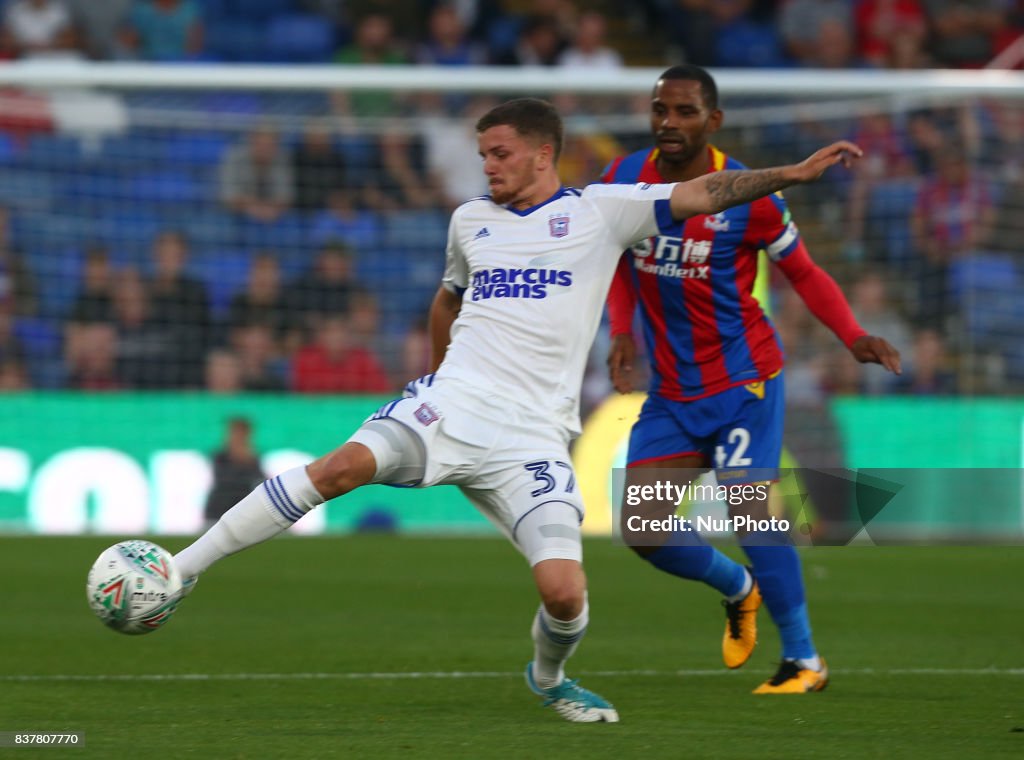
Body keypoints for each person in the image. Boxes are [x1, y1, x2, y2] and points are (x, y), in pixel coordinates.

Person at [171, 97, 862, 722]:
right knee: (341, 467)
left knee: (565, 593)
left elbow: (707, 189)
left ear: (541, 153)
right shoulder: (469, 221)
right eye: (482, 156)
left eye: (499, 154)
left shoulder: (601, 211)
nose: (488, 167)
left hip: (534, 438)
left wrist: (791, 175)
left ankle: (548, 676)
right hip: (451, 406)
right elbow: (447, 297)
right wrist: (436, 378)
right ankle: (181, 571)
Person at [602, 66, 901, 695]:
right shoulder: (624, 179)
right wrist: (623, 331)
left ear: (712, 121)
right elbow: (618, 262)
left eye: (684, 111)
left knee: (753, 514)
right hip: (673, 392)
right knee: (640, 526)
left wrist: (853, 335)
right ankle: (739, 587)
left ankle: (805, 660)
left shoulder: (751, 196)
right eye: (660, 109)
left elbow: (806, 272)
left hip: (745, 383)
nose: (669, 123)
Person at [204, 417, 266, 524]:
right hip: (218, 510)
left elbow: (259, 481)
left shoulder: (253, 459)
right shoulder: (219, 457)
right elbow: (224, 480)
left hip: (242, 510)